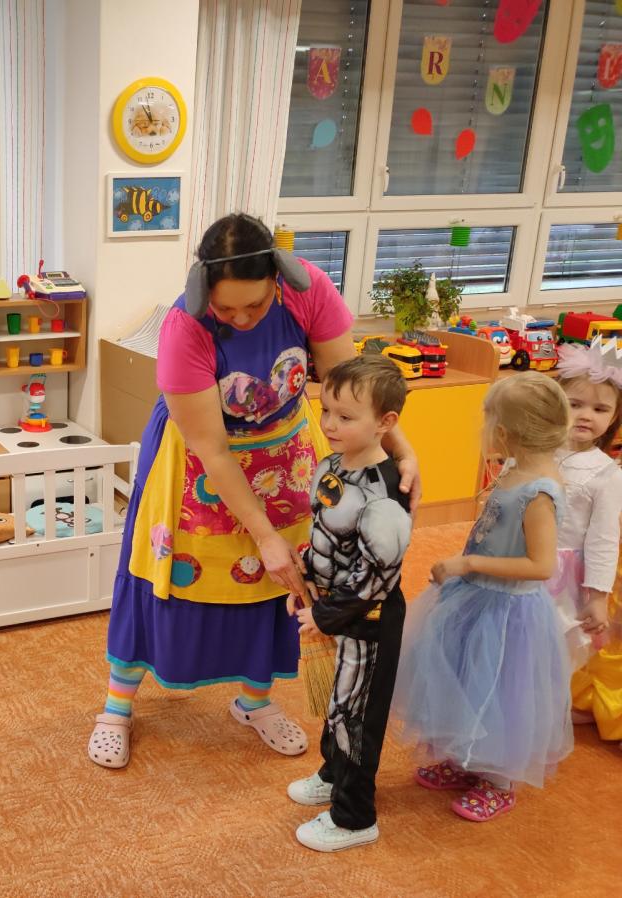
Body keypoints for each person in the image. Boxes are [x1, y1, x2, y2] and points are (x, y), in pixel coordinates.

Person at [87, 213, 420, 770]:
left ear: (277, 278)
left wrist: (400, 449)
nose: (242, 319)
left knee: (281, 578)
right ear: (204, 292)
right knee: (167, 576)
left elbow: (356, 390)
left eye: (256, 305)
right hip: (198, 466)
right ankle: (117, 707)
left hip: (285, 458)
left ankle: (254, 701)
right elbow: (212, 449)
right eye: (226, 310)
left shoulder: (308, 291)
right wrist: (261, 533)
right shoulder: (184, 328)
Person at [392, 373, 573, 822]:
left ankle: (498, 780)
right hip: (476, 598)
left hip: (508, 612)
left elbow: (541, 565)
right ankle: (465, 758)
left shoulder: (539, 493)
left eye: (487, 420)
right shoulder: (515, 468)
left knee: (497, 691)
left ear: (505, 432)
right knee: (464, 679)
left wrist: (468, 563)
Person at [286, 355, 412, 852]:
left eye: (346, 416)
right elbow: (322, 533)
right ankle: (331, 773)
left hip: (370, 623)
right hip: (336, 611)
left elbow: (378, 576)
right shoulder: (333, 465)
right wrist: (305, 580)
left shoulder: (387, 493)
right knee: (337, 705)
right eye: (326, 411)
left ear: (385, 422)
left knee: (356, 716)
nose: (330, 424)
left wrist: (324, 615)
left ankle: (355, 817)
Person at [552, 339, 622, 746]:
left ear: (614, 418)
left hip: (565, 581)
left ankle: (540, 727)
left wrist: (598, 596)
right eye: (575, 404)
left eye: (600, 409)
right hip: (522, 567)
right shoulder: (537, 453)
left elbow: (603, 541)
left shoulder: (607, 474)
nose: (585, 415)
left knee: (555, 655)